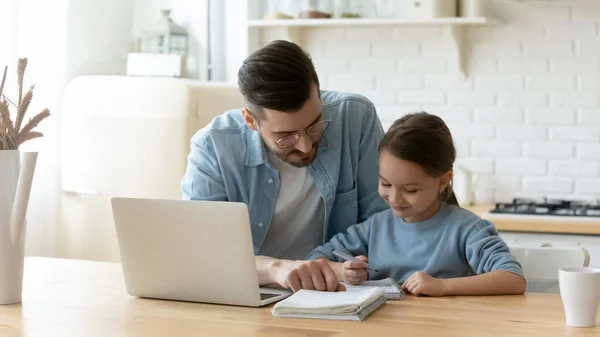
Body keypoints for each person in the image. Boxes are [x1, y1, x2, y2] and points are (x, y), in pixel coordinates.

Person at [180, 40, 389, 292]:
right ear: (251, 120)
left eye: (315, 124)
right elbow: (205, 253)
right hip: (254, 294)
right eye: (286, 135)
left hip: (339, 291)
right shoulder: (213, 146)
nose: (305, 146)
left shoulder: (356, 119)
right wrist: (276, 269)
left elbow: (384, 222)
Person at [307, 112, 527, 296]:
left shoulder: (467, 229)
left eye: (410, 190)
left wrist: (443, 286)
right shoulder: (375, 227)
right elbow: (314, 259)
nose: (394, 199)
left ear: (443, 181)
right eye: (385, 183)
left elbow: (513, 279)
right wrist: (342, 271)